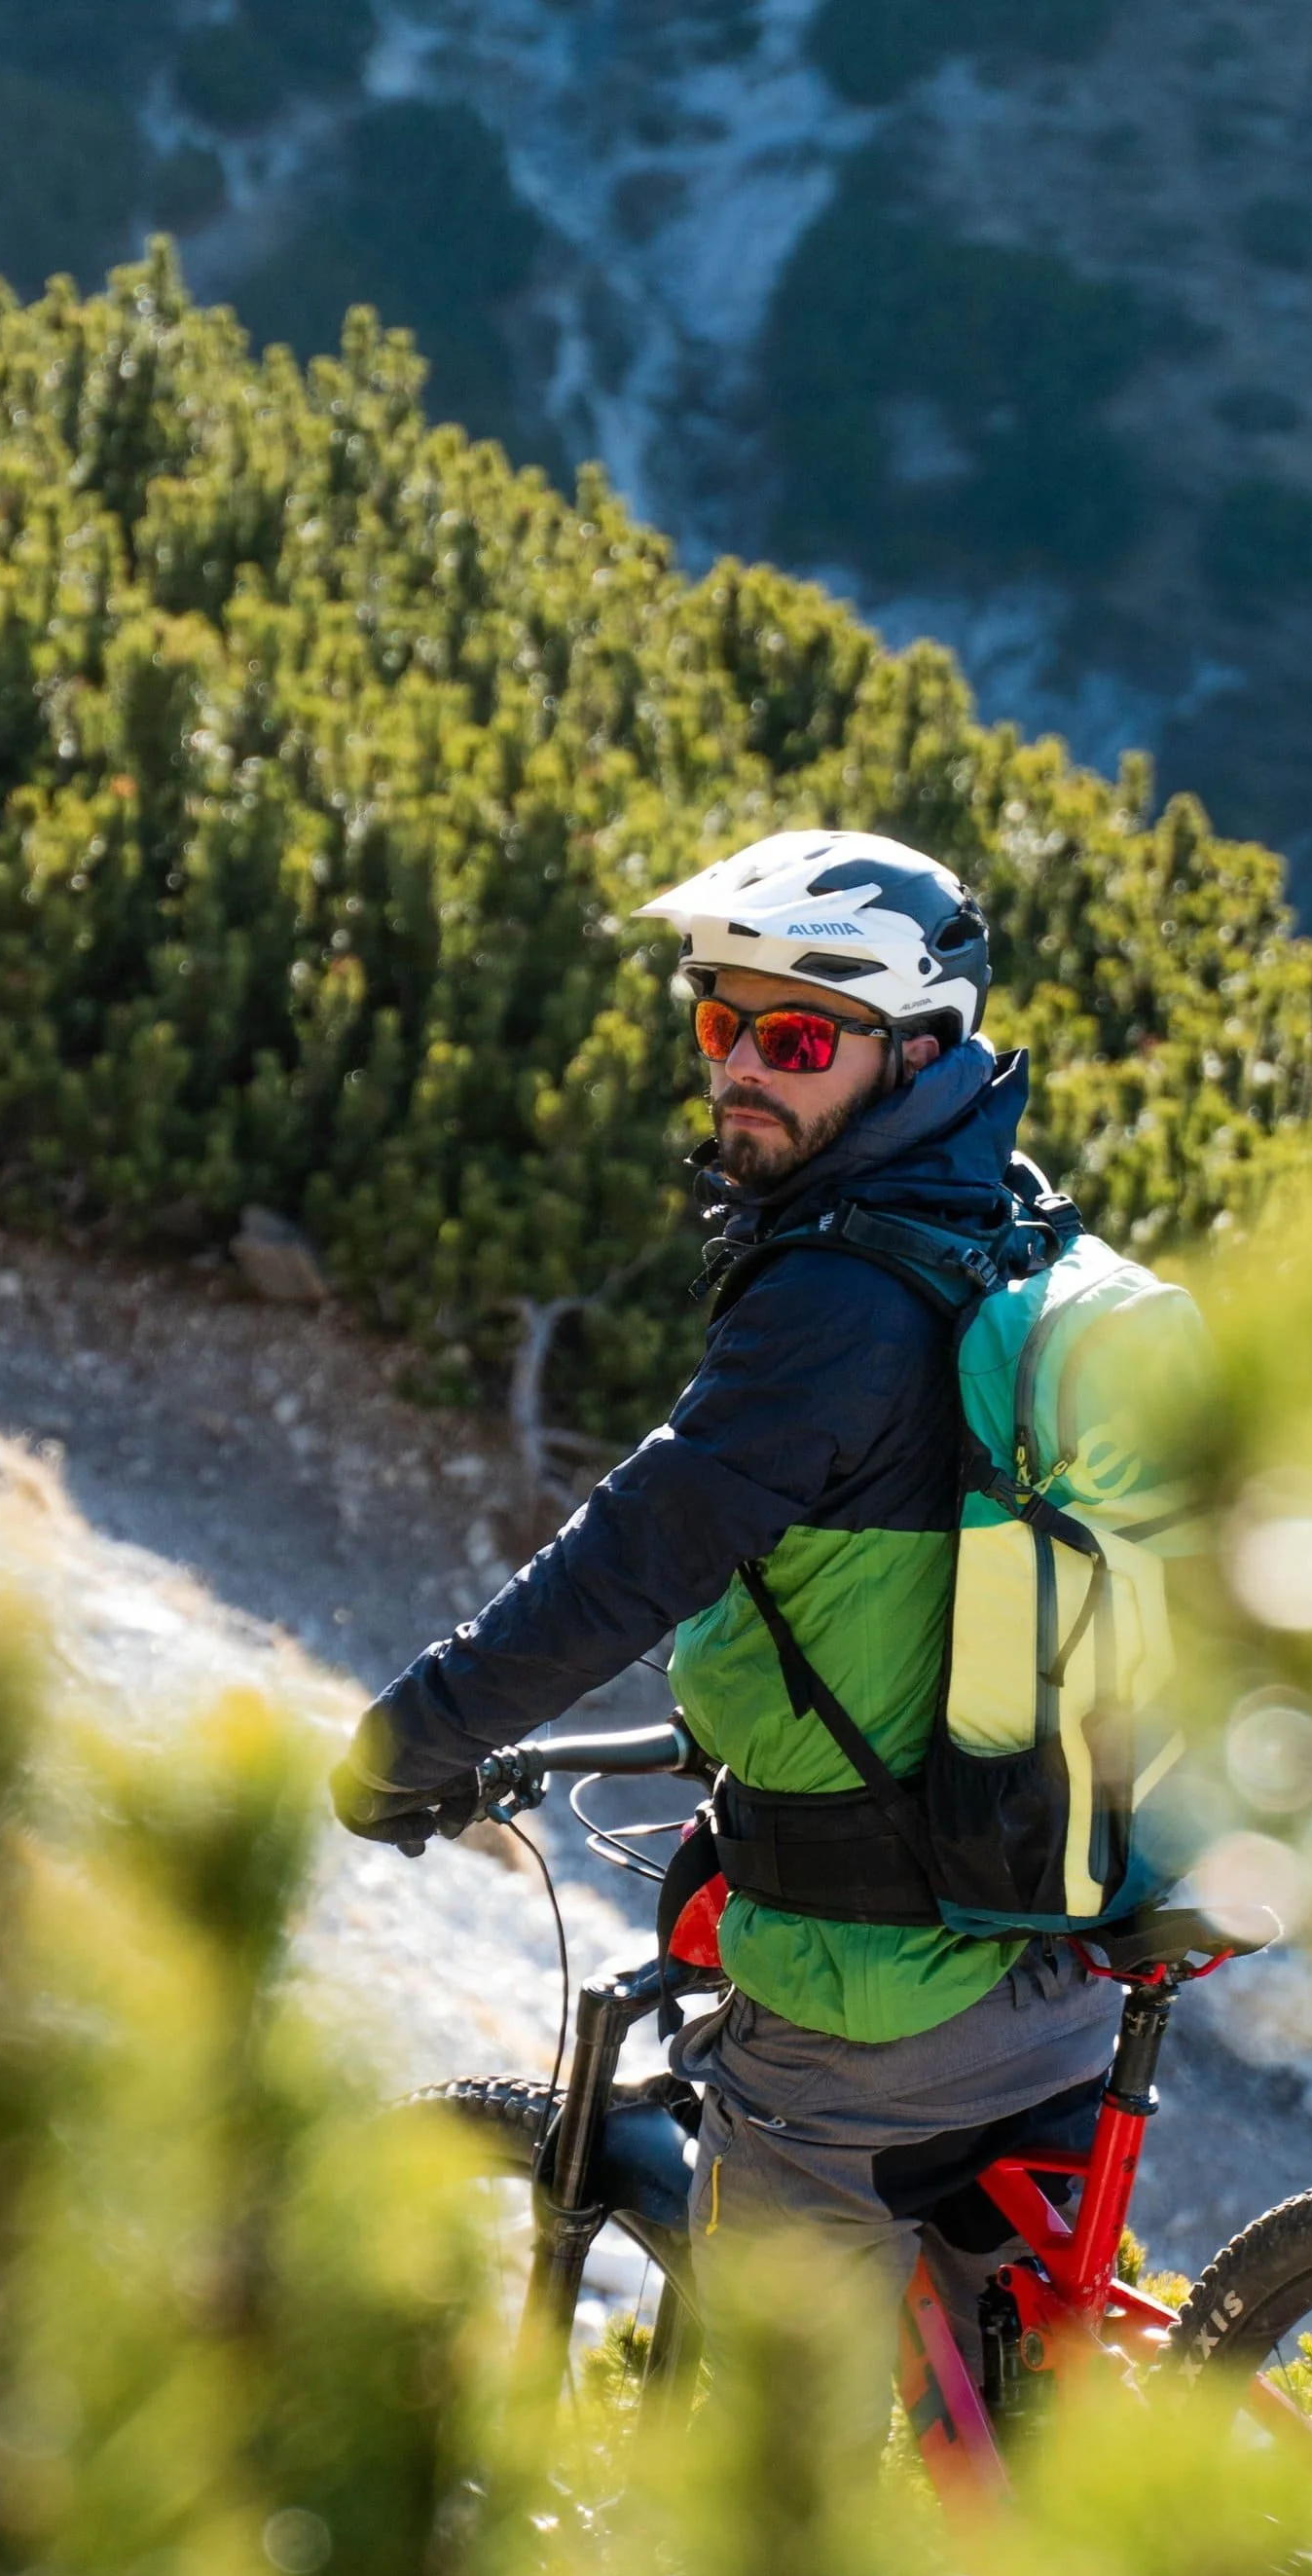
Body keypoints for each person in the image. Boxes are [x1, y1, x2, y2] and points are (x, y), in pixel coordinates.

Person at [330, 828, 1124, 2412]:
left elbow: (644, 1547)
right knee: (1007, 2429)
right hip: (1057, 1968)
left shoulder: (837, 1298)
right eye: (723, 1025)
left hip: (870, 2006)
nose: (743, 1072)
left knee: (764, 2532)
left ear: (918, 1050)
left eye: (800, 1037)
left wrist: (419, 1727)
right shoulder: (1007, 1226)